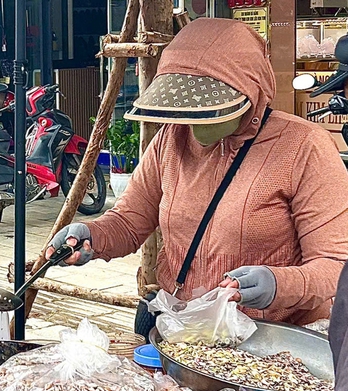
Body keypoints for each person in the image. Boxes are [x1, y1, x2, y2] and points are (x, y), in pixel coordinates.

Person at [47, 18, 348, 328]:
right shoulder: (170, 139)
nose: (194, 126)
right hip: (185, 333)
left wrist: (277, 284)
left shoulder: (304, 146)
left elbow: (336, 266)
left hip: (273, 339)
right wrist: (92, 237)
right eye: (187, 112)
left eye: (210, 111)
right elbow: (130, 221)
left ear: (252, 91)